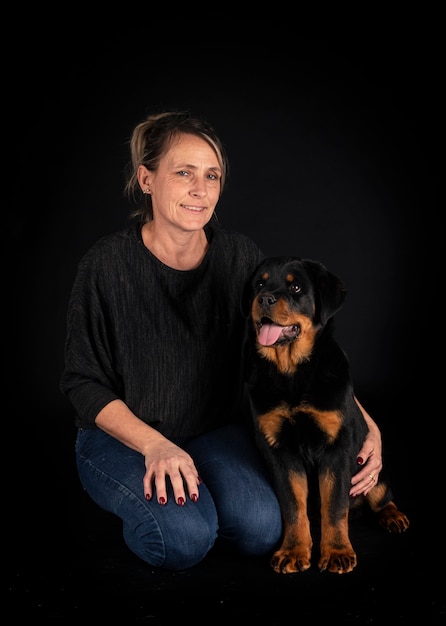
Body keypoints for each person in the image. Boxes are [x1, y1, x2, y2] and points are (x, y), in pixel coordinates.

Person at [60, 110, 383, 571]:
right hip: (124, 439)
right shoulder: (105, 266)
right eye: (183, 173)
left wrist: (364, 422)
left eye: (211, 175)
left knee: (261, 530)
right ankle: (165, 506)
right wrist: (155, 446)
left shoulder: (238, 257)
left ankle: (199, 494)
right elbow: (81, 382)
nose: (200, 189)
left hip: (211, 430)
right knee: (182, 540)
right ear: (146, 180)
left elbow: (294, 350)